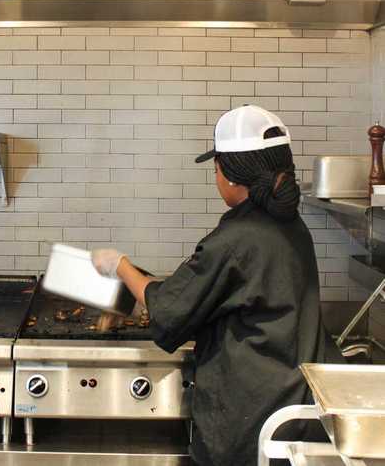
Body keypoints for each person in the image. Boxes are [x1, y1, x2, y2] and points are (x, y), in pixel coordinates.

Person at [92, 105, 327, 466]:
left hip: (248, 421)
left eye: (216, 168)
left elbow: (168, 310)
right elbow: (216, 290)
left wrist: (119, 266)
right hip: (292, 408)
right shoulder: (291, 225)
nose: (215, 177)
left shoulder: (237, 238)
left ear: (231, 176)